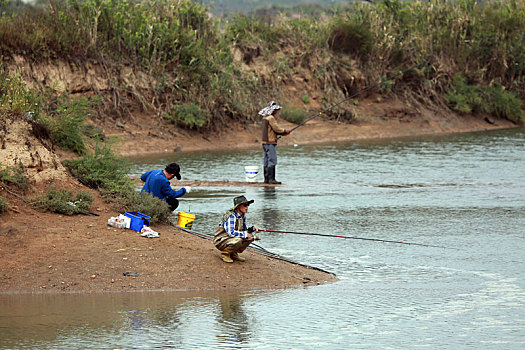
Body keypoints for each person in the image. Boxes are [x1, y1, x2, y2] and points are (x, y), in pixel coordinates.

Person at [213, 195, 260, 263]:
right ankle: (225, 254)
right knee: (238, 239)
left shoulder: (242, 215)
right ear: (238, 206)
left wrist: (252, 229)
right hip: (221, 241)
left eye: (248, 205)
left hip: (229, 239)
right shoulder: (231, 216)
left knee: (251, 237)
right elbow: (231, 233)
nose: (247, 207)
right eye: (245, 205)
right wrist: (245, 234)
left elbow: (244, 229)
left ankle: (233, 253)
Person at [259, 101, 291, 184]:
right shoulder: (271, 118)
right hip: (270, 142)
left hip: (264, 143)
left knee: (266, 161)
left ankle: (266, 179)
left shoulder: (264, 118)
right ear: (273, 110)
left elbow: (272, 130)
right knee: (272, 160)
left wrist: (282, 133)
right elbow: (276, 129)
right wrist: (285, 131)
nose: (277, 111)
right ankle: (271, 179)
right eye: (276, 110)